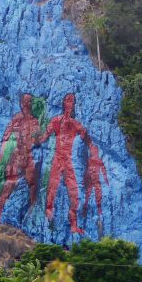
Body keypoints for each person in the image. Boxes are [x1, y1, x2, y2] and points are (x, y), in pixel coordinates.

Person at [38, 93, 88, 234]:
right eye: (67, 100)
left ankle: (73, 224)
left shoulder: (75, 124)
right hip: (57, 159)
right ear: (63, 103)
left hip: (68, 161)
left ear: (74, 105)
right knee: (52, 188)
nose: (69, 103)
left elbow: (85, 137)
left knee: (74, 193)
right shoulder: (56, 121)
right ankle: (48, 211)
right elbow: (44, 137)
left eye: (72, 101)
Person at [0, 94, 42, 220]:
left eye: (28, 101)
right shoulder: (16, 119)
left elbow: (37, 141)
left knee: (32, 185)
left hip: (29, 158)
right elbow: (5, 136)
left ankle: (31, 216)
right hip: (16, 157)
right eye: (23, 101)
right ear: (20, 103)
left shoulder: (34, 121)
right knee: (8, 186)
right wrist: (1, 154)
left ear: (31, 103)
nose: (25, 104)